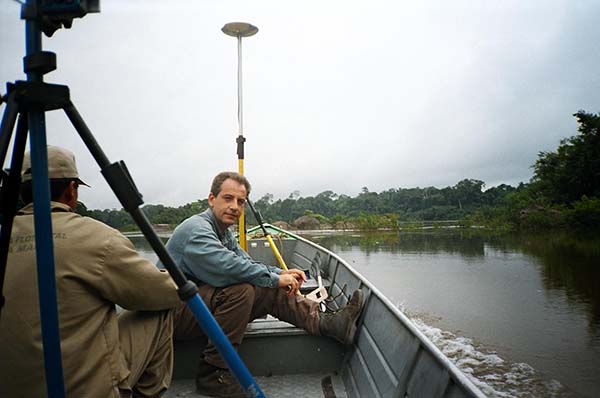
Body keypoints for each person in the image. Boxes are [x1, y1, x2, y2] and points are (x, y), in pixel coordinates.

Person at [161, 171, 364, 398]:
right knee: (241, 290)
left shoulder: (222, 231)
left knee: (266, 286)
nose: (234, 207)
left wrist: (280, 273)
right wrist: (277, 278)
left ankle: (326, 322)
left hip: (197, 308)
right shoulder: (196, 230)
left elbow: (245, 262)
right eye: (228, 198)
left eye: (240, 201)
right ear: (211, 199)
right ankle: (214, 373)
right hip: (169, 316)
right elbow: (228, 268)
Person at [0, 146, 181, 398]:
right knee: (159, 310)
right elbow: (165, 292)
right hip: (84, 391)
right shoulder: (98, 238)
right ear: (71, 190)